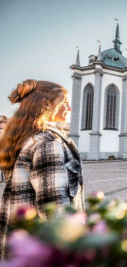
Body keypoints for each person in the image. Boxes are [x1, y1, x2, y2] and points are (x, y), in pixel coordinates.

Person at [0, 79, 85, 259]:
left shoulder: (21, 136)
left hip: (18, 241)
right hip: (40, 247)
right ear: (47, 103)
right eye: (64, 102)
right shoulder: (47, 143)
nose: (68, 108)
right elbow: (53, 208)